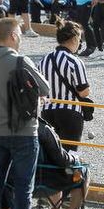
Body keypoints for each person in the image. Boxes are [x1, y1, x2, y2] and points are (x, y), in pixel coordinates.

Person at [0, 18, 52, 209]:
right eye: (19, 34)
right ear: (12, 35)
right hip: (23, 130)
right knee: (24, 187)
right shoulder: (20, 61)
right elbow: (45, 88)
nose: (21, 38)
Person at [39, 21, 90, 151]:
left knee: (51, 152)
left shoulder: (44, 60)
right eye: (79, 39)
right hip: (70, 111)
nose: (80, 43)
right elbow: (83, 91)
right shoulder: (75, 61)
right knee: (69, 152)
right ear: (73, 39)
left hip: (47, 110)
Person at [36, 118, 92, 209]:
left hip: (22, 184)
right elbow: (61, 159)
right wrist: (76, 159)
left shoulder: (12, 127)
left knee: (53, 169)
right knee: (82, 171)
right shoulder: (44, 129)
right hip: (46, 182)